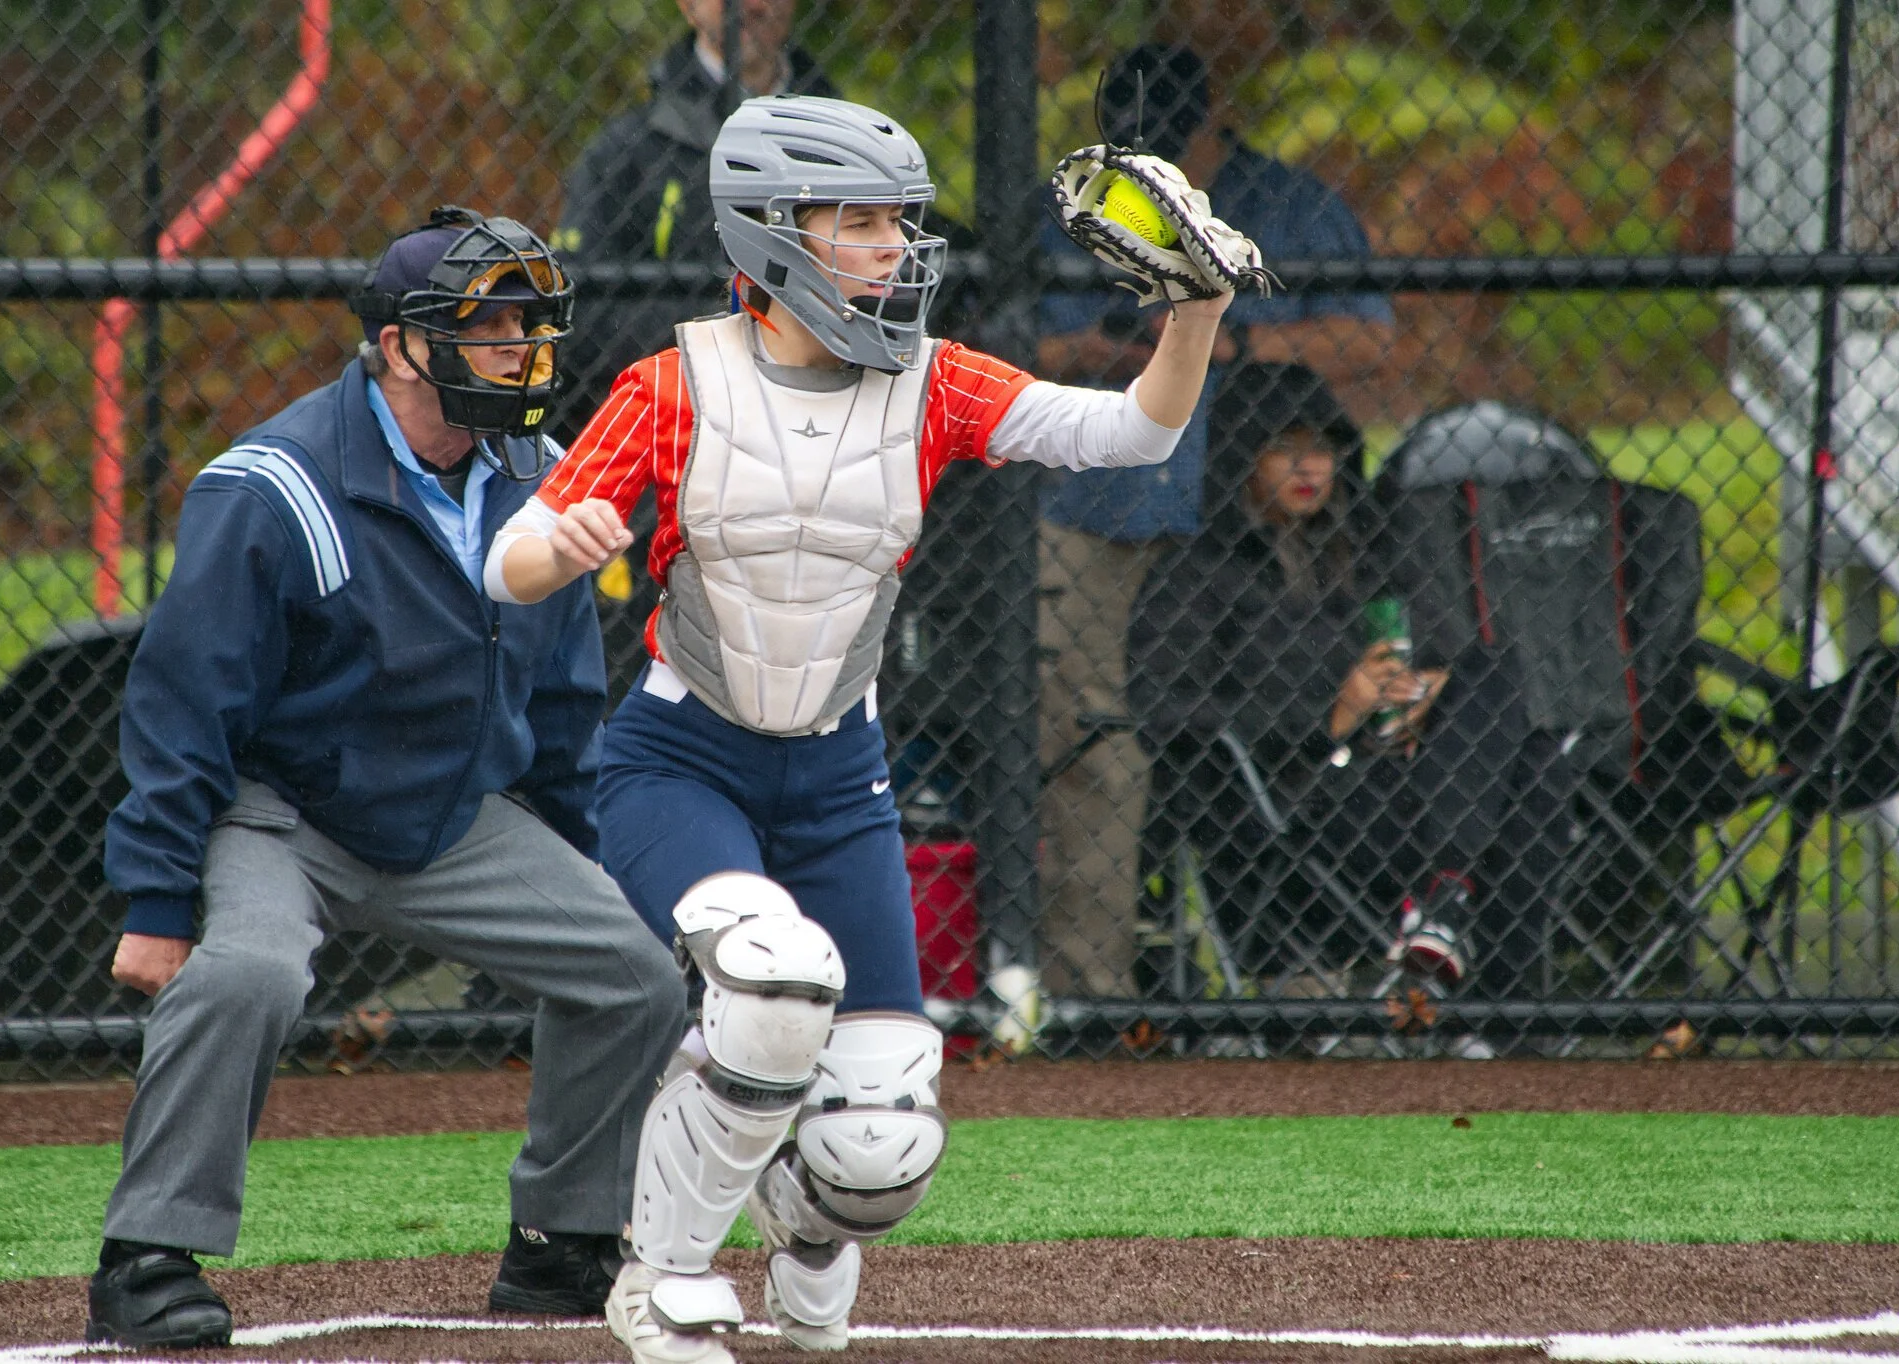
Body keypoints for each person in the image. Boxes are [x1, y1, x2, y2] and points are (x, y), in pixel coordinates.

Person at [486, 94, 1240, 1364]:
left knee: (879, 1139)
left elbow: (1131, 433)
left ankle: (793, 1213)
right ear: (773, 236)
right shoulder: (673, 383)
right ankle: (658, 1276)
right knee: (774, 985)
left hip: (839, 774)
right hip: (682, 756)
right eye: (858, 223)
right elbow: (510, 556)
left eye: (898, 223)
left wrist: (1198, 312)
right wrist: (548, 550)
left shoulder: (934, 382)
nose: (893, 249)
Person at [88, 209, 687, 1348]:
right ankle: (146, 1256)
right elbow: (183, 702)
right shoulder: (271, 485)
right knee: (250, 973)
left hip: (451, 814)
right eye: (488, 326)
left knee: (636, 977)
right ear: (399, 346)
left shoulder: (544, 473)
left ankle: (560, 1241)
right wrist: (158, 899)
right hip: (281, 812)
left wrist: (588, 867)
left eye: (531, 326)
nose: (522, 350)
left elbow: (563, 698)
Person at [1036, 43, 1396, 1000]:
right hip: (1102, 514)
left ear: (1210, 128)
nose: (1151, 161)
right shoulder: (1083, 197)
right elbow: (1008, 335)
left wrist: (1223, 335)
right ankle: (1091, 999)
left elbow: (1368, 337)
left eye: (1171, 143)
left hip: (1247, 527)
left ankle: (1298, 977)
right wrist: (1097, 343)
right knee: (1098, 754)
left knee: (1276, 733)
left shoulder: (1288, 202)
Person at [1127, 364, 1526, 994]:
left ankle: (1458, 939)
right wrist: (1330, 715)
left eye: (1320, 448)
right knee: (1521, 794)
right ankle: (1463, 946)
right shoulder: (1196, 570)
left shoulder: (1367, 546)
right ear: (1243, 458)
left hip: (1402, 773)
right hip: (1286, 803)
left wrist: (1425, 688)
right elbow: (1163, 711)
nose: (1308, 467)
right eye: (1283, 449)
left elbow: (1438, 646)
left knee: (1497, 677)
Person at [555, 0, 834, 428]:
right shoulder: (625, 152)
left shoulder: (846, 135)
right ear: (687, 6)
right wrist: (728, 337)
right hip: (677, 418)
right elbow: (580, 314)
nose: (751, 5)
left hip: (827, 403)